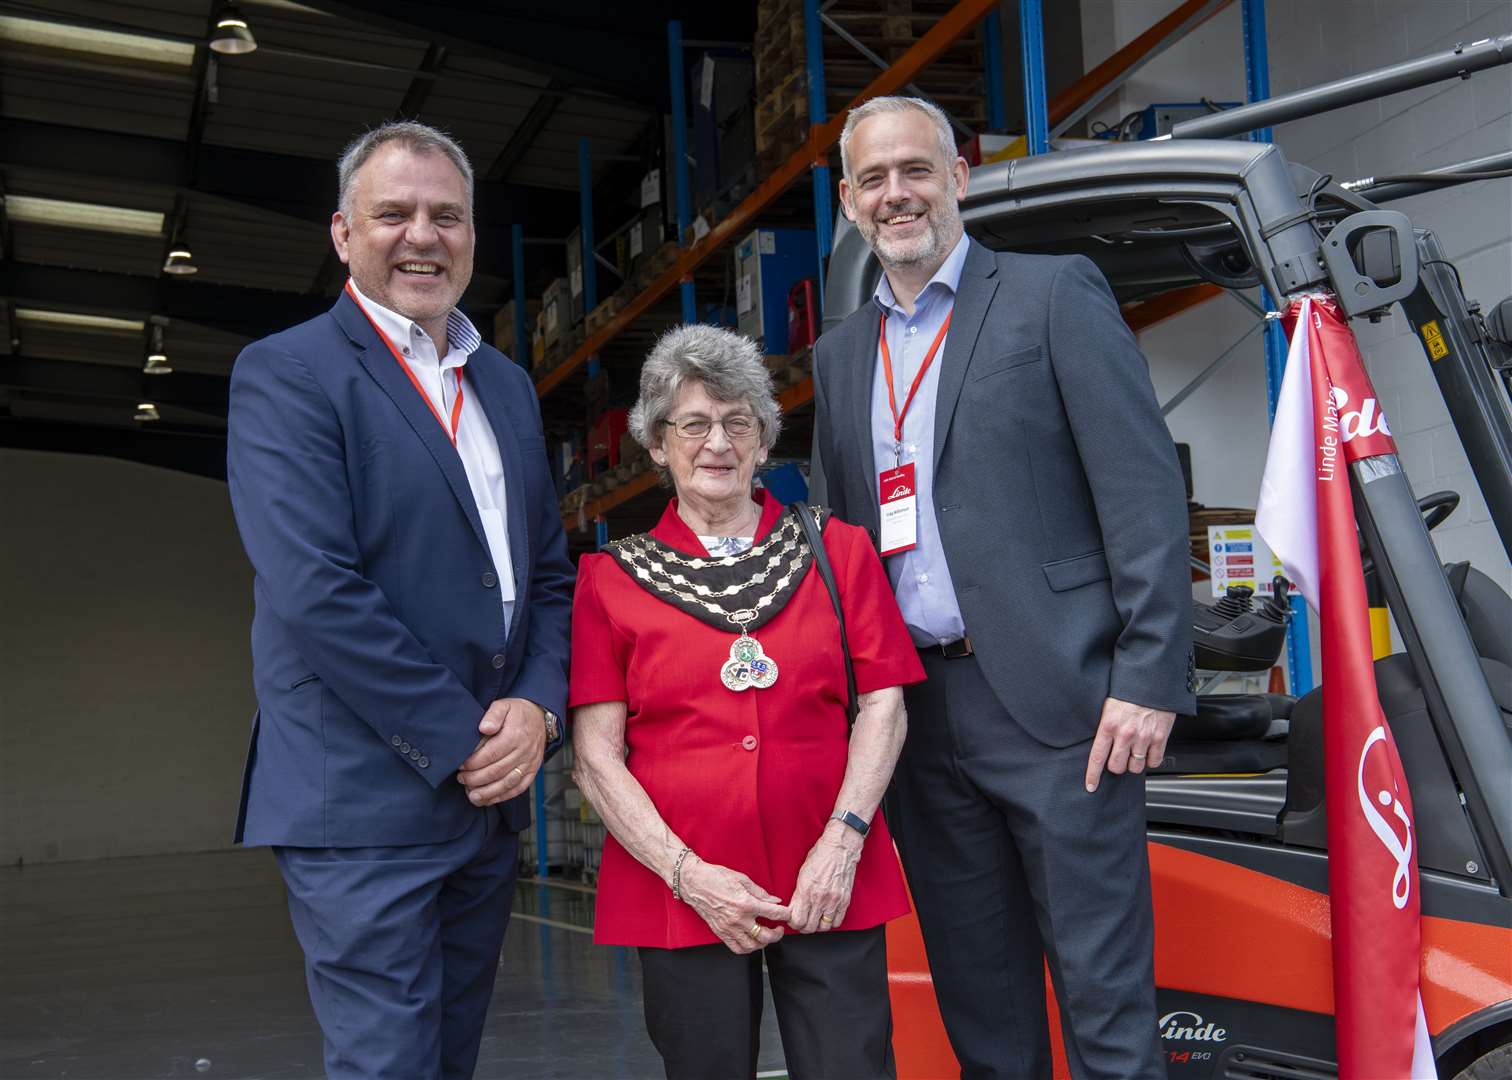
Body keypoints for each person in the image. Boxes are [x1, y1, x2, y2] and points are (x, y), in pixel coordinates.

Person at [811, 96, 1196, 1078]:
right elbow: (846, 545)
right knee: (984, 1023)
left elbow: (1142, 488)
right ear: (848, 201)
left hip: (1062, 710)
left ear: (959, 177)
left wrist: (1149, 673)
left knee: (1108, 1018)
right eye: (873, 179)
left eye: (916, 170)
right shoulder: (843, 355)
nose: (897, 194)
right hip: (920, 723)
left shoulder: (1052, 293)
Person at [226, 121, 573, 1080]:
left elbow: (546, 573)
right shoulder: (288, 373)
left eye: (446, 217)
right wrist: (467, 738)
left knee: (447, 1060)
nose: (422, 235)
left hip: (485, 802)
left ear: (472, 236)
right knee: (388, 1065)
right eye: (394, 214)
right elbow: (315, 590)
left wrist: (538, 711)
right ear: (344, 234)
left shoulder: (502, 383)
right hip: (363, 803)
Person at [569, 324, 924, 1080]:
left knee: (852, 1067)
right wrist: (686, 872)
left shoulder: (840, 550)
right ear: (658, 445)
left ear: (765, 441)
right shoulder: (610, 579)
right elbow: (596, 757)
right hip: (682, 886)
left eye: (739, 422)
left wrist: (844, 842)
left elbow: (884, 707)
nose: (717, 442)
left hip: (827, 874)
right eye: (692, 423)